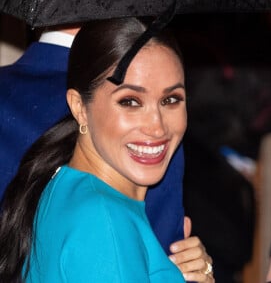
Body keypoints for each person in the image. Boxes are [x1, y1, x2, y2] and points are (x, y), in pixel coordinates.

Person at [0, 18, 214, 282]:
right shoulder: (102, 221)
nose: (157, 127)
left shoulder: (68, 186)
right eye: (130, 101)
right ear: (79, 107)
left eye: (171, 100)